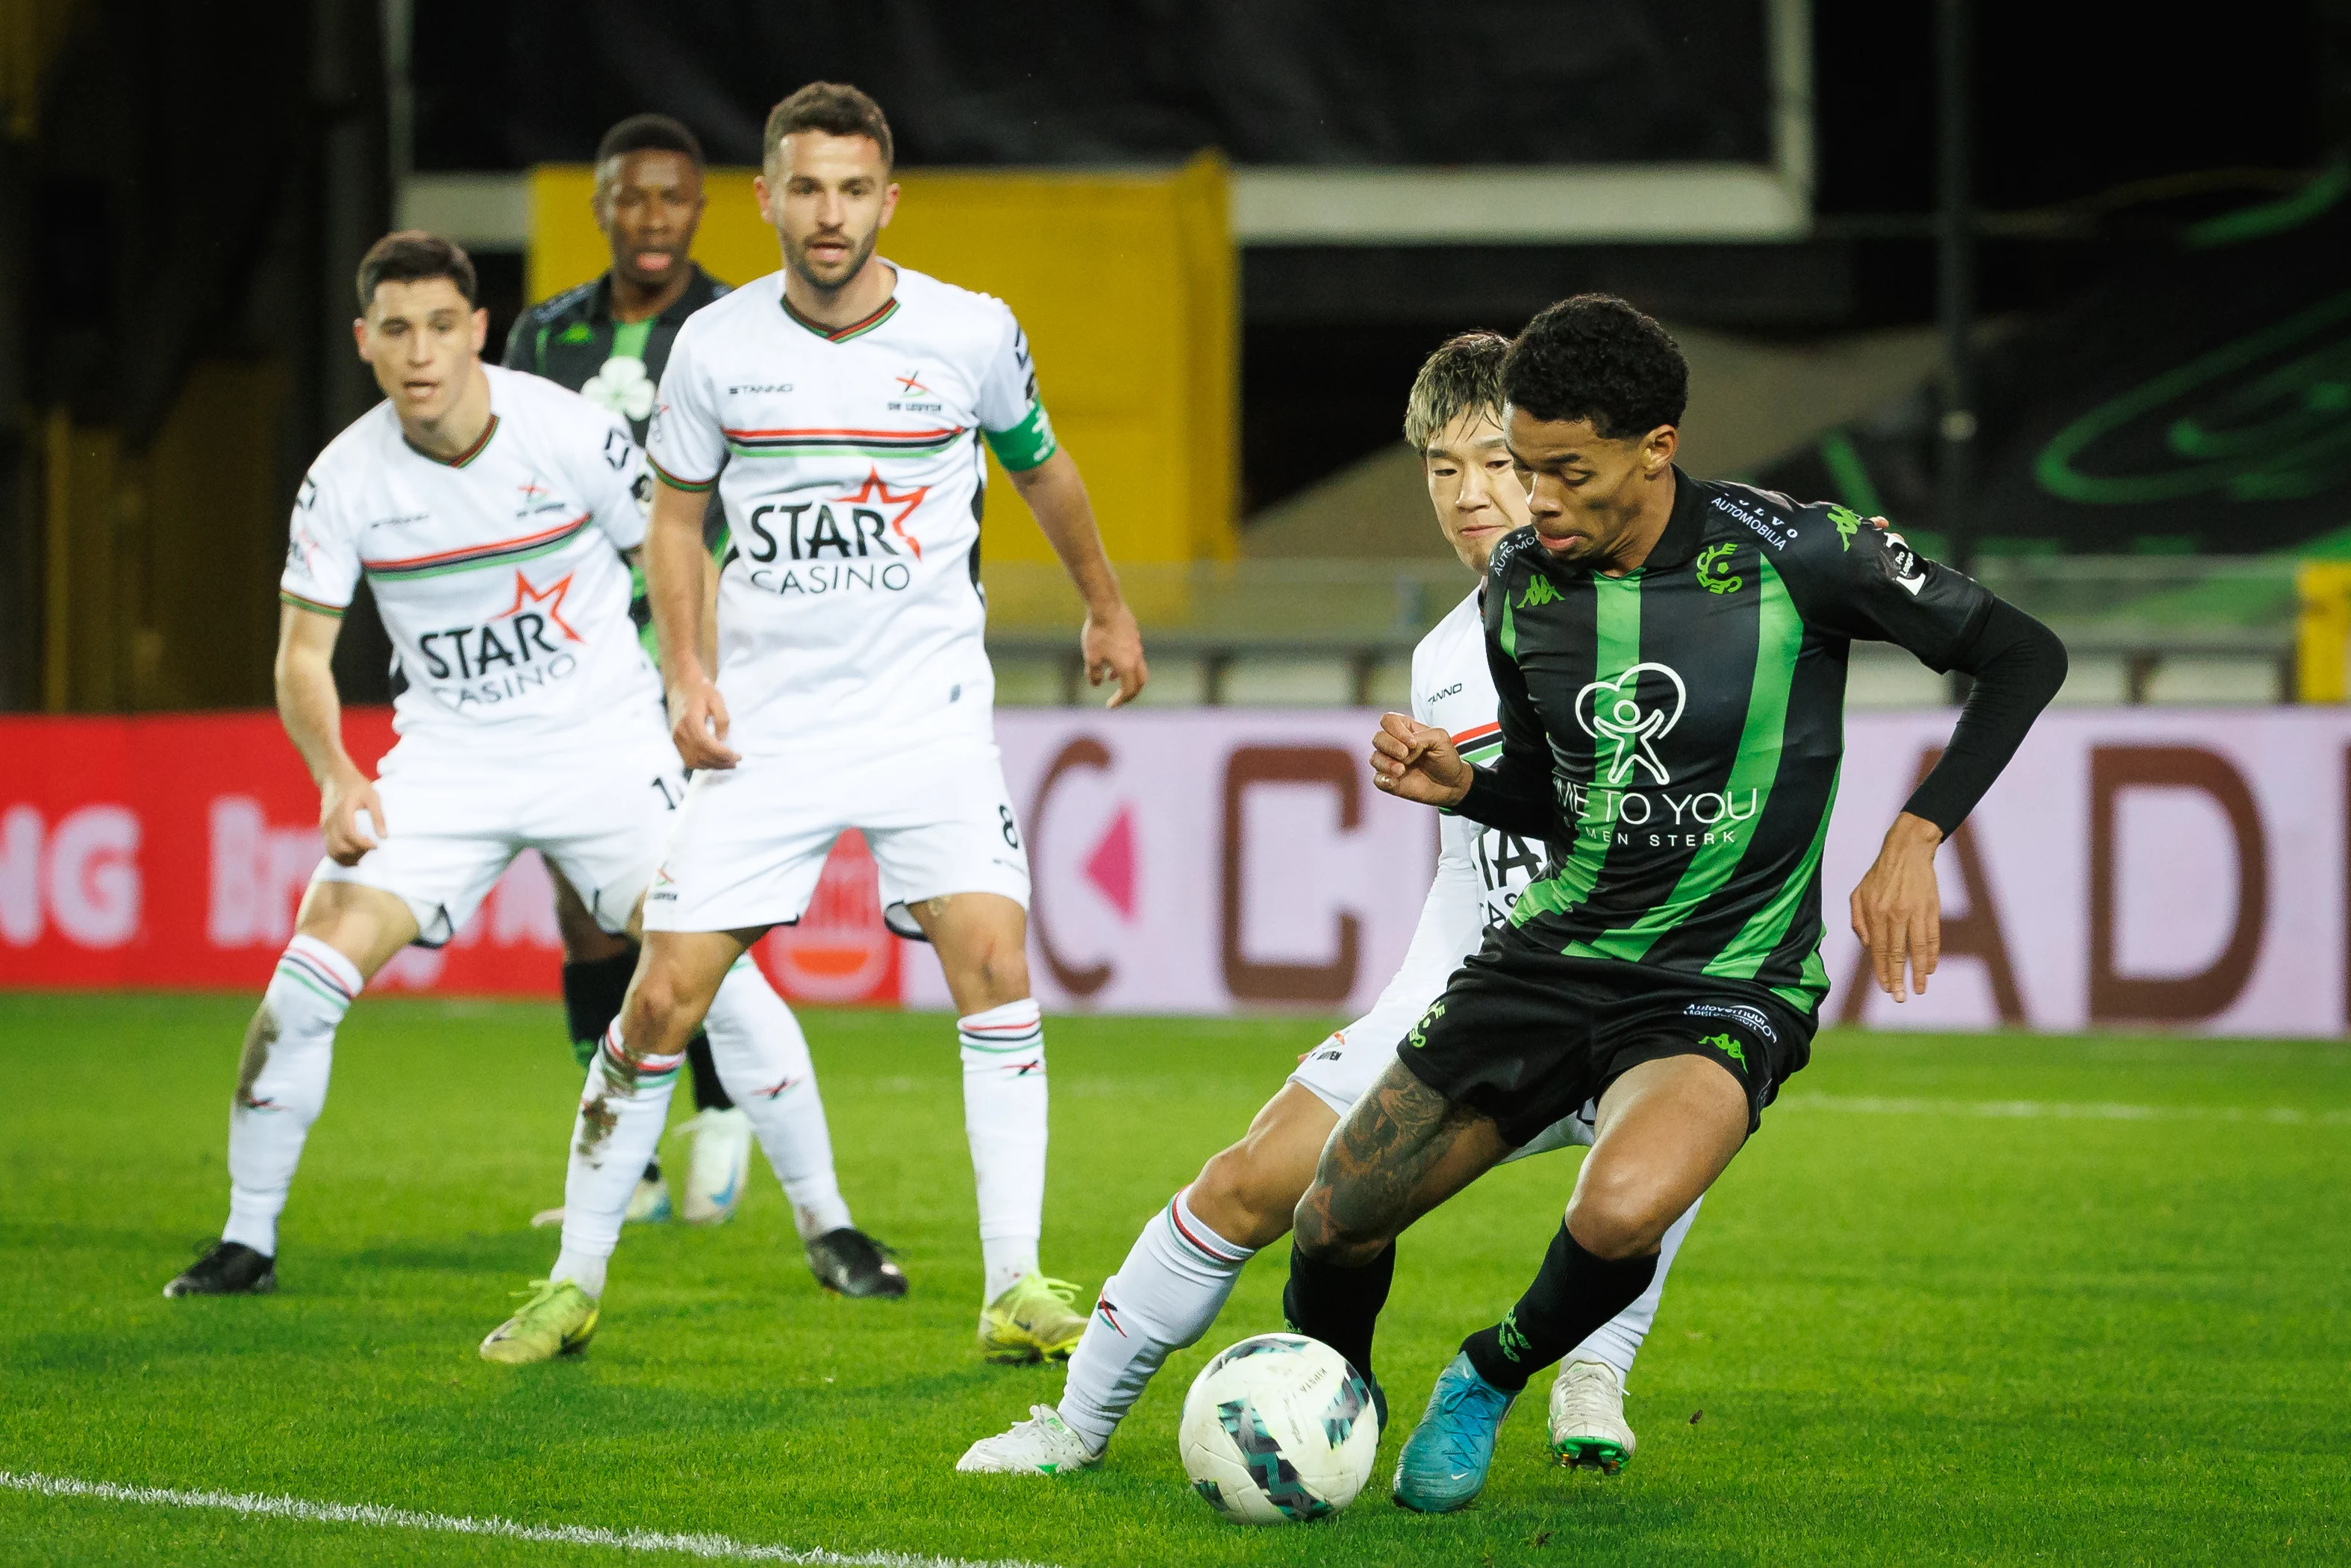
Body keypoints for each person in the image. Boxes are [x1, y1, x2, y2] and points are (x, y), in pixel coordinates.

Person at [1283, 294, 2068, 1512]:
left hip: (1728, 979)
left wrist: (1916, 834)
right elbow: (1561, 796)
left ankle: (1490, 1375)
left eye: (1563, 471)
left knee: (1622, 1206)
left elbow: (2023, 652)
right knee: (1336, 1216)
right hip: (1547, 960)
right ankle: (1326, 1406)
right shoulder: (1520, 590)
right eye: (1520, 466)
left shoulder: (1803, 553)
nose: (1532, 502)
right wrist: (1469, 786)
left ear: (1656, 448)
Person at [475, 81, 1149, 1366]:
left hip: (929, 721)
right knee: (664, 993)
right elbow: (676, 519)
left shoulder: (969, 331)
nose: (828, 214)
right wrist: (686, 672)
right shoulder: (716, 348)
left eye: (853, 190)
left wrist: (1105, 609)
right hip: (768, 731)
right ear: (769, 198)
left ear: (886, 201)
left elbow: (1042, 467)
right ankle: (572, 1283)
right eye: (806, 188)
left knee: (997, 970)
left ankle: (1014, 1284)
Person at [958, 333, 1698, 1478]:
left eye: (1495, 462)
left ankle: (1596, 1364)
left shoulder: (1666, 618)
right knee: (1250, 1180)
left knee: (1653, 1147)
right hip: (1480, 986)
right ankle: (1073, 1422)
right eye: (1441, 471)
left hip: (1627, 989)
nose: (1470, 497)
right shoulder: (1447, 652)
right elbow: (1470, 862)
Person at [162, 231, 902, 1320]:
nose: (421, 353)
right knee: (302, 984)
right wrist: (333, 774)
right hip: (450, 765)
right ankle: (247, 1236)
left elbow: (676, 548)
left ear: (479, 331)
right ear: (366, 342)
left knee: (717, 979)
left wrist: (693, 681)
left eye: (441, 327)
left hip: (602, 753)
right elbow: (301, 658)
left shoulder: (569, 435)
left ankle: (829, 1222)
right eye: (397, 331)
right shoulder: (343, 479)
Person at [503, 112, 757, 1230]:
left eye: (672, 198)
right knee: (582, 906)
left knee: (685, 891)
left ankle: (723, 1114)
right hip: (575, 655)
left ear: (699, 211)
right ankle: (628, 1161)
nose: (651, 219)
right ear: (601, 207)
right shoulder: (542, 338)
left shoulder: (738, 329)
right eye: (631, 198)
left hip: (699, 649)